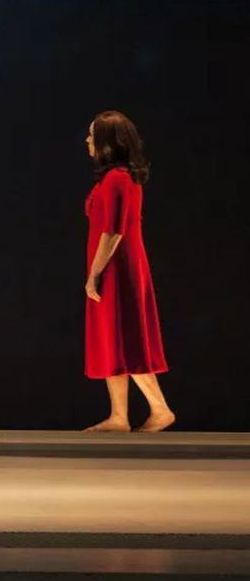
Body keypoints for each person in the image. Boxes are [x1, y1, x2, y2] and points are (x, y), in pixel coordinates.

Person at [82, 111, 174, 432]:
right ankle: (118, 416)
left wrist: (94, 274)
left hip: (118, 269)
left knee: (127, 338)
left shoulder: (118, 179)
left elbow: (113, 231)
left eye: (92, 135)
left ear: (107, 142)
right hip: (114, 267)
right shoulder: (116, 178)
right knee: (113, 338)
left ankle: (160, 408)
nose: (88, 141)